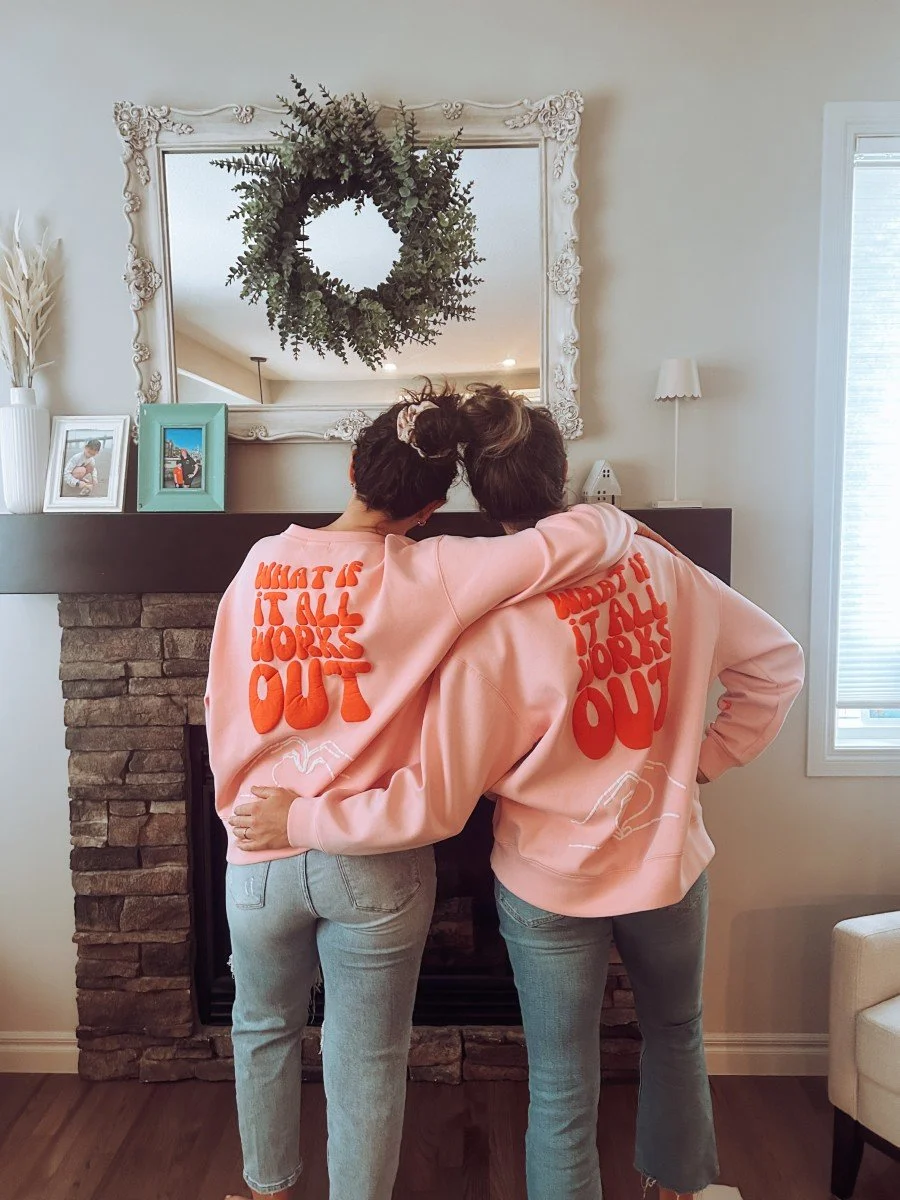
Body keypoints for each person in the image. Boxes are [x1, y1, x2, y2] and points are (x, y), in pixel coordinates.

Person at [236, 385, 805, 1200]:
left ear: (466, 496)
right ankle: (680, 1188)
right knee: (677, 1032)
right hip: (667, 853)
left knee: (562, 1085)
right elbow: (776, 664)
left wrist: (302, 811)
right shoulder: (660, 561)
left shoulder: (490, 635)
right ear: (560, 470)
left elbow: (433, 804)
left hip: (548, 883)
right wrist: (703, 762)